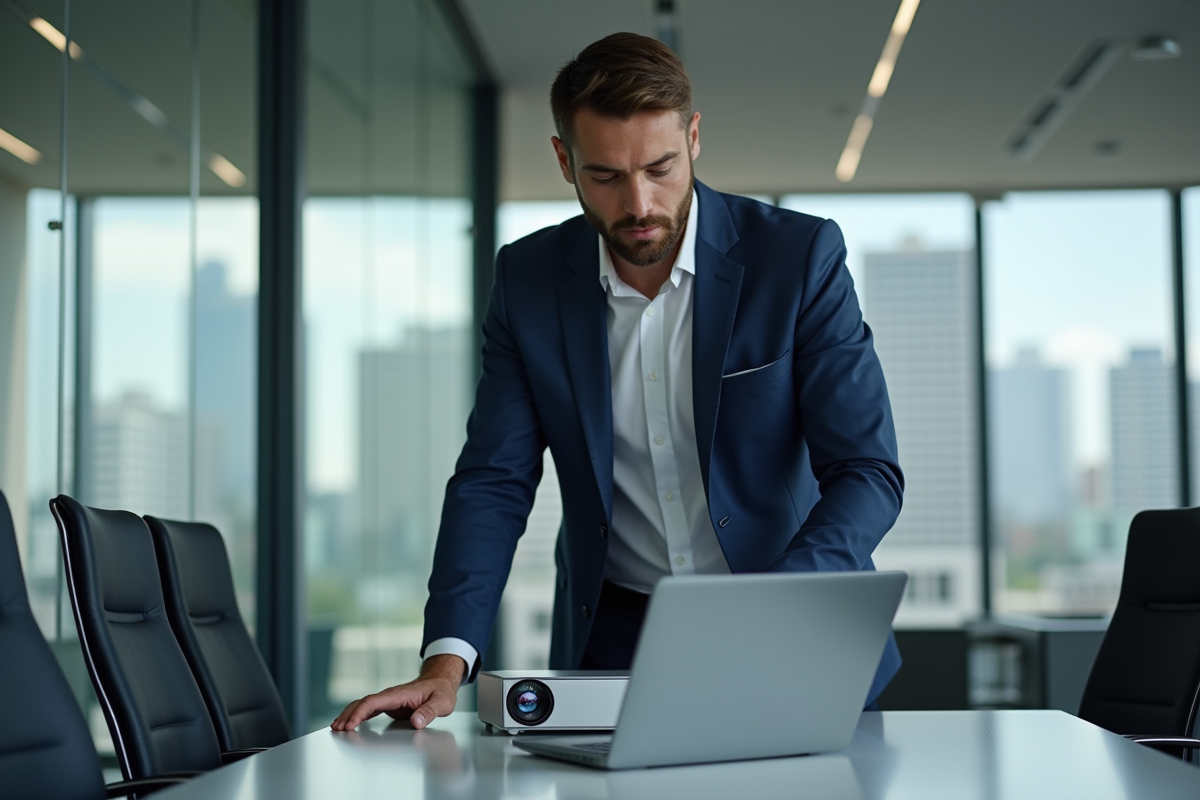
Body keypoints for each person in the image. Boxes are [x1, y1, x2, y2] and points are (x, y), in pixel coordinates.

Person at [332, 31, 903, 732]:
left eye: (661, 167)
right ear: (563, 159)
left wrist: (778, 606)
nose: (638, 203)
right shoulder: (528, 282)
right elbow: (494, 480)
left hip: (795, 623)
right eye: (604, 176)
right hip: (615, 646)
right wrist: (447, 661)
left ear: (694, 138)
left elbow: (868, 470)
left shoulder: (798, 257)